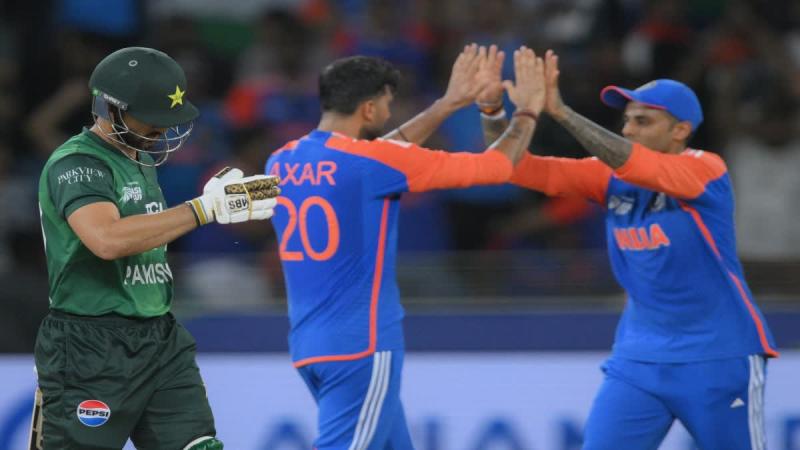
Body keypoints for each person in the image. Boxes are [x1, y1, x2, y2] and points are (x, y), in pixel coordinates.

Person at [480, 49, 777, 449]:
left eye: (643, 121)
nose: (628, 129)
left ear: (680, 130)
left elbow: (635, 163)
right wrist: (492, 111)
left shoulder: (706, 169)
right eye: (627, 120)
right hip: (638, 358)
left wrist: (563, 113)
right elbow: (514, 167)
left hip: (717, 354)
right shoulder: (609, 176)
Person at [266, 44, 545, 449]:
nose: (389, 112)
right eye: (386, 103)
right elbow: (498, 167)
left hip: (310, 344)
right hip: (361, 346)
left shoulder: (281, 160)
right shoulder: (373, 164)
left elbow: (377, 156)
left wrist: (447, 104)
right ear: (368, 109)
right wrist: (527, 111)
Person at [33, 47, 280, 450]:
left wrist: (272, 192)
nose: (162, 130)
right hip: (90, 344)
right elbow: (107, 240)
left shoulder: (140, 161)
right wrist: (205, 208)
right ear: (112, 108)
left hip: (159, 336)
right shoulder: (77, 164)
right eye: (153, 118)